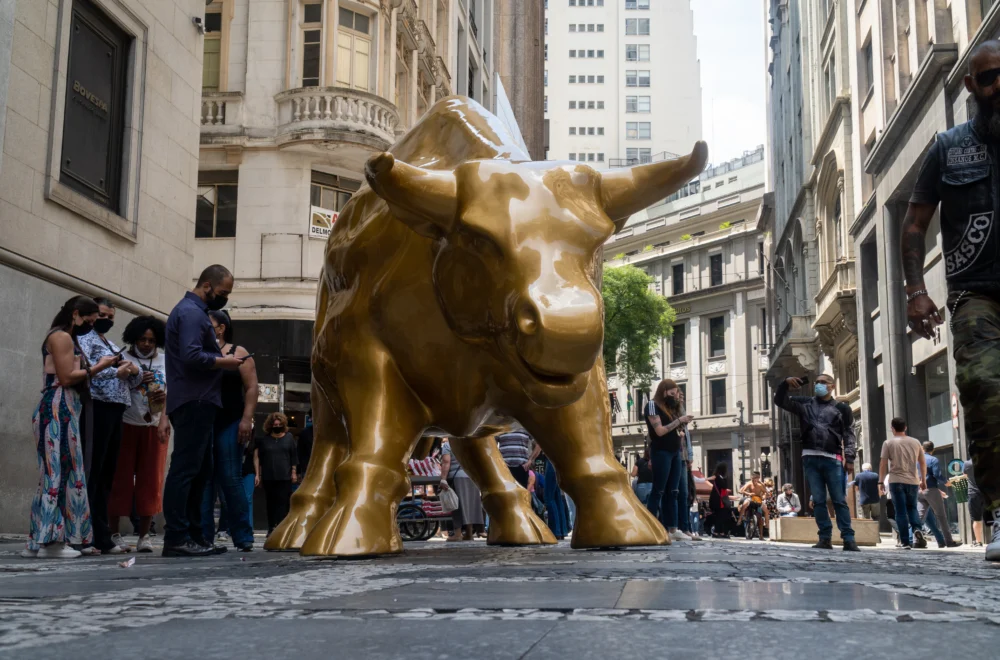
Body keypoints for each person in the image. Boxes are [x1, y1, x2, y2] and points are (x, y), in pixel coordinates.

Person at [900, 40, 1000, 561]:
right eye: (988, 79)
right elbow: (914, 223)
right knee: (984, 388)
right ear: (971, 86)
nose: (998, 87)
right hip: (975, 291)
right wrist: (916, 292)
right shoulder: (948, 147)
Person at [162, 265, 244, 557]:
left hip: (200, 399)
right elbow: (191, 354)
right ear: (207, 285)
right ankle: (177, 537)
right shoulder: (191, 313)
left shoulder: (193, 313)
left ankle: (196, 536)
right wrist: (226, 362)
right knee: (186, 469)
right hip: (193, 399)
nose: (224, 299)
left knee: (200, 472)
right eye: (222, 293)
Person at [23, 297, 115, 559]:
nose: (92, 325)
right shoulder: (62, 337)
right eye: (90, 319)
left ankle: (38, 541)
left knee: (55, 472)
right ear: (76, 314)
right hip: (58, 406)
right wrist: (100, 367)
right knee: (59, 473)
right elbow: (65, 378)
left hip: (62, 407)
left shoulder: (62, 336)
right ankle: (52, 542)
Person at [77, 297, 140, 555]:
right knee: (93, 471)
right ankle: (87, 533)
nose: (107, 320)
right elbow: (84, 370)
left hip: (118, 409)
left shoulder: (111, 344)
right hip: (97, 407)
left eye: (111, 317)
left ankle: (102, 534)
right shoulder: (84, 339)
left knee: (106, 475)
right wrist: (115, 371)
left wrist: (133, 371)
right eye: (103, 315)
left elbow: (129, 382)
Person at [773, 374, 859, 551]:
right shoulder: (805, 403)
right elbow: (780, 401)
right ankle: (825, 538)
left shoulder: (842, 408)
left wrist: (850, 458)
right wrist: (785, 384)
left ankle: (848, 539)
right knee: (819, 501)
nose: (819, 385)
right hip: (810, 458)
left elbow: (849, 434)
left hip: (833, 458)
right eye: (817, 382)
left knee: (839, 500)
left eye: (823, 382)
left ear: (832, 387)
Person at [108, 316, 170, 554]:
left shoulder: (166, 361)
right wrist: (134, 380)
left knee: (151, 480)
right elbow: (112, 386)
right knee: (119, 479)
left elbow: (172, 389)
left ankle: (145, 535)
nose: (146, 344)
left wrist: (165, 411)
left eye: (151, 340)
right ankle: (114, 533)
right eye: (141, 339)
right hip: (125, 423)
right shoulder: (122, 358)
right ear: (133, 339)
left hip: (154, 426)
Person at [199, 310, 257, 551]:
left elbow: (252, 387)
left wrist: (247, 418)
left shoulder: (239, 353)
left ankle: (243, 536)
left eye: (208, 324)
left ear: (221, 328)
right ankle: (203, 537)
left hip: (231, 421)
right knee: (204, 480)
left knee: (231, 478)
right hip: (203, 421)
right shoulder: (198, 353)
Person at [644, 378, 695, 542]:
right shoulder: (652, 406)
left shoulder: (669, 408)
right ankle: (651, 526)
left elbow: (676, 428)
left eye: (676, 393)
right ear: (664, 391)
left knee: (673, 491)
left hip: (674, 452)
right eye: (672, 393)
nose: (674, 396)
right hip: (661, 452)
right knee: (659, 490)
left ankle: (672, 529)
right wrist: (679, 421)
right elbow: (659, 431)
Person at [878, 418, 927, 549]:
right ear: (905, 427)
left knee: (900, 511)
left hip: (896, 480)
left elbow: (883, 463)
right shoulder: (916, 442)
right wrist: (923, 480)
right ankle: (917, 528)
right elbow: (922, 462)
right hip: (913, 481)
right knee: (912, 508)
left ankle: (905, 541)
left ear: (892, 428)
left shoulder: (888, 443)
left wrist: (881, 481)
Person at [257, 413, 298, 535]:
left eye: (280, 424)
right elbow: (260, 458)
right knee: (270, 503)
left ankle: (281, 529)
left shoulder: (289, 438)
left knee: (283, 503)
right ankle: (271, 528)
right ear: (270, 425)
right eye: (275, 425)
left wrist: (294, 472)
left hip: (284, 475)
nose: (277, 426)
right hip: (269, 475)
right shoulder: (265, 439)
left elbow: (293, 456)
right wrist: (259, 475)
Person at [917, 441, 962, 548]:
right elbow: (937, 474)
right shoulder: (933, 460)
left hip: (919, 491)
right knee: (941, 516)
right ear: (933, 450)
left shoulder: (916, 460)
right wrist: (946, 482)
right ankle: (949, 541)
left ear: (922, 449)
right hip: (931, 489)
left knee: (919, 517)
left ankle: (915, 540)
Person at [438, 438, 484, 541]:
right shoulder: (470, 442)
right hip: (472, 477)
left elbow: (446, 462)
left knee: (456, 505)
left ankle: (457, 534)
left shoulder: (448, 444)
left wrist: (443, 479)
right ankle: (469, 533)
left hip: (457, 478)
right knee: (470, 505)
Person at [542, 454, 570, 540]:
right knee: (557, 498)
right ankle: (562, 530)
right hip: (558, 460)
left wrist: (531, 459)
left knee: (549, 498)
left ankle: (556, 531)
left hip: (551, 460)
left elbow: (539, 446)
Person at [705, 463, 736, 538]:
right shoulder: (718, 477)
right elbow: (722, 486)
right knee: (720, 516)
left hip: (719, 500)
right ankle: (717, 532)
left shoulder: (720, 477)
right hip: (718, 501)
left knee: (721, 516)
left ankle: (721, 532)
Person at [737, 472, 766, 538]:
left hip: (758, 501)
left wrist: (764, 496)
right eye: (755, 478)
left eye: (758, 477)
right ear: (752, 478)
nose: (756, 479)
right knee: (744, 504)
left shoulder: (761, 484)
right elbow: (741, 490)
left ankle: (761, 535)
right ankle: (740, 518)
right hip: (750, 499)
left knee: (760, 518)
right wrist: (748, 493)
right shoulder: (749, 483)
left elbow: (765, 492)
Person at [965, 459, 987, 547]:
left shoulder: (967, 463)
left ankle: (978, 541)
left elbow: (965, 475)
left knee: (976, 519)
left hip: (973, 493)